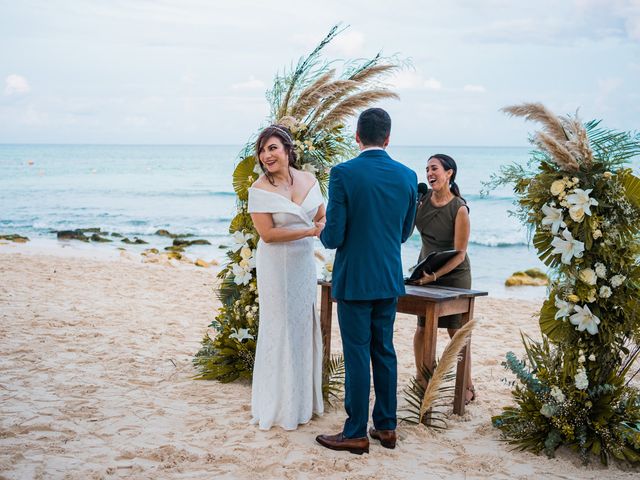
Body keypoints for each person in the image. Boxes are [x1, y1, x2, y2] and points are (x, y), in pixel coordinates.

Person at [316, 108, 417, 454]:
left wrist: (322, 231)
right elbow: (405, 233)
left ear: (356, 137)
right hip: (389, 277)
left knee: (357, 353)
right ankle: (387, 427)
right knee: (384, 351)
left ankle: (356, 431)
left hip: (355, 278)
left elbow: (333, 236)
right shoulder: (407, 176)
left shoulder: (343, 173)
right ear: (388, 138)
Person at [247, 124, 326, 430]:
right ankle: (278, 406)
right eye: (262, 150)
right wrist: (309, 230)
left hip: (303, 264)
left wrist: (320, 224)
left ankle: (302, 403)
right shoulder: (259, 190)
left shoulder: (308, 178)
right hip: (276, 264)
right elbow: (267, 234)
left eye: (273, 148)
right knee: (279, 327)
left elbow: (322, 214)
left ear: (288, 150)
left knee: (302, 325)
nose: (267, 155)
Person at [412, 153, 475, 403]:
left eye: (434, 168)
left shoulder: (459, 208)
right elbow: (406, 230)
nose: (429, 173)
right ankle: (422, 380)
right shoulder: (422, 201)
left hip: (454, 275)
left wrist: (435, 276)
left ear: (449, 173)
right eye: (427, 169)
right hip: (425, 269)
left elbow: (460, 255)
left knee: (455, 332)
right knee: (422, 327)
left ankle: (466, 385)